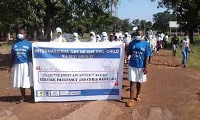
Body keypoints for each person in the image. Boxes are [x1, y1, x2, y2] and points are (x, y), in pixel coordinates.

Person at [126, 29, 151, 107]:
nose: (138, 36)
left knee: (139, 82)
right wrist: (126, 55)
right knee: (132, 82)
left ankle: (138, 95)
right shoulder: (132, 43)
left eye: (139, 34)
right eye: (137, 34)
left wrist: (146, 67)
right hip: (132, 65)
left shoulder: (146, 44)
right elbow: (129, 52)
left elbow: (147, 56)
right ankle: (131, 100)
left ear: (142, 35)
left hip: (141, 66)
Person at [8, 29, 34, 104]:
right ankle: (23, 97)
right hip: (17, 65)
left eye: (21, 33)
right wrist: (10, 66)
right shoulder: (15, 44)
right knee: (20, 81)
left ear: (25, 34)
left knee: (29, 80)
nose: (19, 34)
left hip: (27, 64)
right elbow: (12, 56)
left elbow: (33, 55)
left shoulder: (29, 44)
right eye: (18, 33)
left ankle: (32, 96)